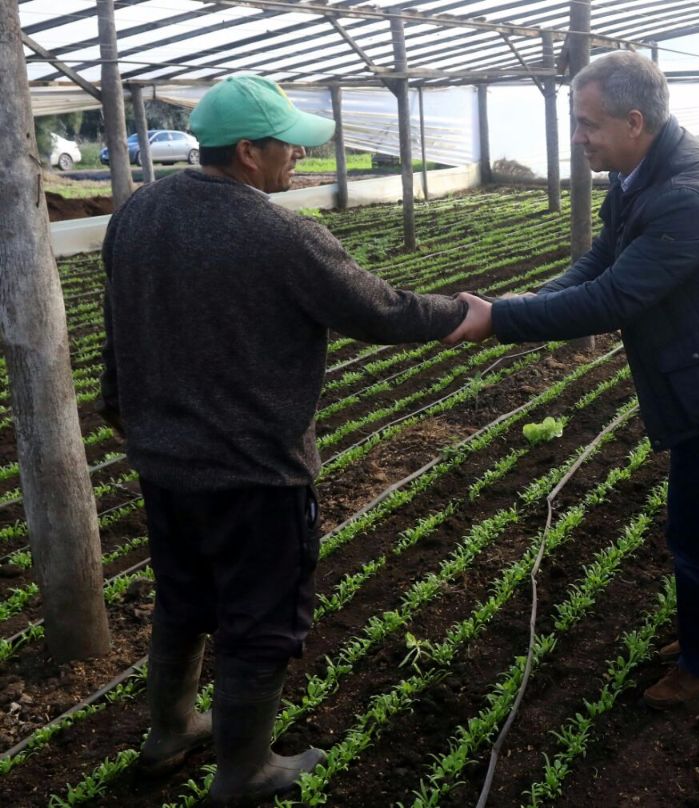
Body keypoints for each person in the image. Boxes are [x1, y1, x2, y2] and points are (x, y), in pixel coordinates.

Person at [99, 75, 475, 805]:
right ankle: (245, 771)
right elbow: (381, 311)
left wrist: (125, 412)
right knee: (260, 621)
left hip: (165, 465)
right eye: (288, 149)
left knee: (183, 600)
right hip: (254, 474)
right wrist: (466, 312)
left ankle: (171, 729)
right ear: (247, 152)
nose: (297, 161)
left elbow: (118, 329)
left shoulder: (136, 215)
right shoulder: (277, 233)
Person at [444, 52, 699, 711]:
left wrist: (502, 321)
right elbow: (601, 260)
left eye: (587, 124)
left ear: (634, 121)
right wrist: (528, 300)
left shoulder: (687, 195)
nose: (577, 137)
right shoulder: (638, 174)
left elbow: (613, 299)